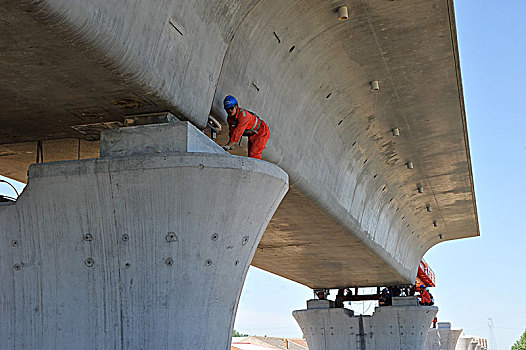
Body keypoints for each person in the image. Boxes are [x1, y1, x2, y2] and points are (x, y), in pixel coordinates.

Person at [222, 95, 270, 159]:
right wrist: (231, 144)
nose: (229, 111)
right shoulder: (230, 118)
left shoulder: (243, 116)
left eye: (231, 108)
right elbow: (232, 131)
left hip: (261, 132)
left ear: (236, 106)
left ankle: (255, 168)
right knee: (250, 155)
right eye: (227, 109)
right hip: (252, 134)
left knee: (254, 154)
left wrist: (228, 146)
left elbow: (237, 132)